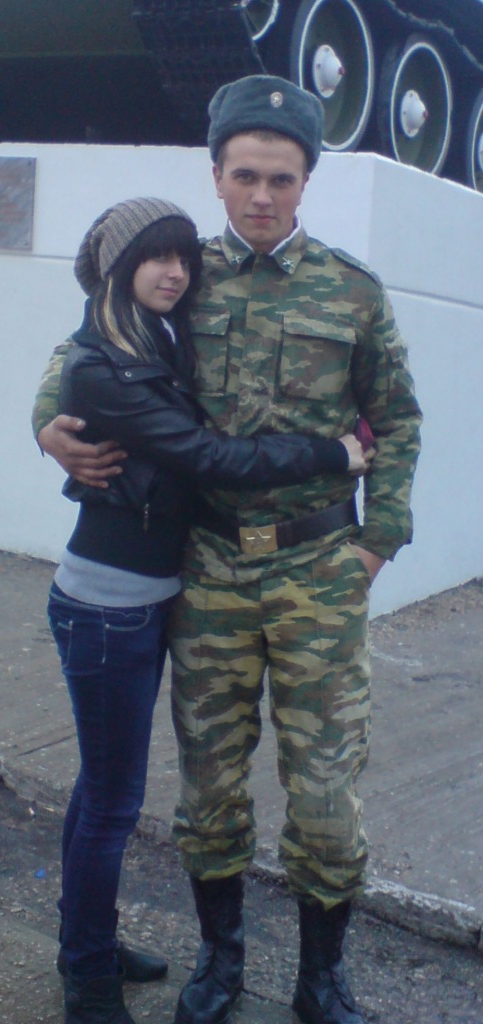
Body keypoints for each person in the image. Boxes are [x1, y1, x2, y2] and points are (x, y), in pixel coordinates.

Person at [32, 76, 422, 1024]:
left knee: (323, 788)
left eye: (280, 179)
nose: (261, 196)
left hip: (319, 571)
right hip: (206, 569)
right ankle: (220, 962)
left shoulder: (353, 291)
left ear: (305, 182)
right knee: (208, 784)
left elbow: (398, 419)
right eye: (244, 175)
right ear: (215, 175)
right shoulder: (178, 276)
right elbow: (80, 347)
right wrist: (48, 425)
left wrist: (377, 542)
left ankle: (320, 979)